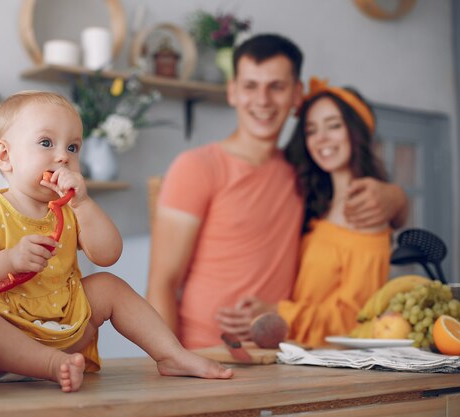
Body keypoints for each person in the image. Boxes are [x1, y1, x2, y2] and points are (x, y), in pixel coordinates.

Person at [0, 91, 232, 393]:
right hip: (6, 344)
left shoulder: (71, 209)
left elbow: (109, 254)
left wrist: (83, 204)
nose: (63, 157)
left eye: (73, 147)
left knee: (108, 285)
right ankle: (48, 365)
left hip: (67, 328)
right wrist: (8, 260)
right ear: (5, 156)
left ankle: (172, 355)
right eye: (46, 143)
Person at [146, 34, 407, 350]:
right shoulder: (196, 167)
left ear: (297, 95)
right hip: (205, 353)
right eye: (250, 86)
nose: (262, 100)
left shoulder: (302, 172)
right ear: (233, 92)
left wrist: (396, 197)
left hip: (279, 356)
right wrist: (166, 362)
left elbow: (365, 215)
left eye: (276, 87)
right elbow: (162, 283)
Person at [217, 77, 393, 347]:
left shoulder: (367, 214)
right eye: (311, 130)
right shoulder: (314, 202)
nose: (321, 138)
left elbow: (353, 320)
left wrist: (277, 313)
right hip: (292, 356)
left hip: (328, 368)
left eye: (333, 126)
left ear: (357, 132)